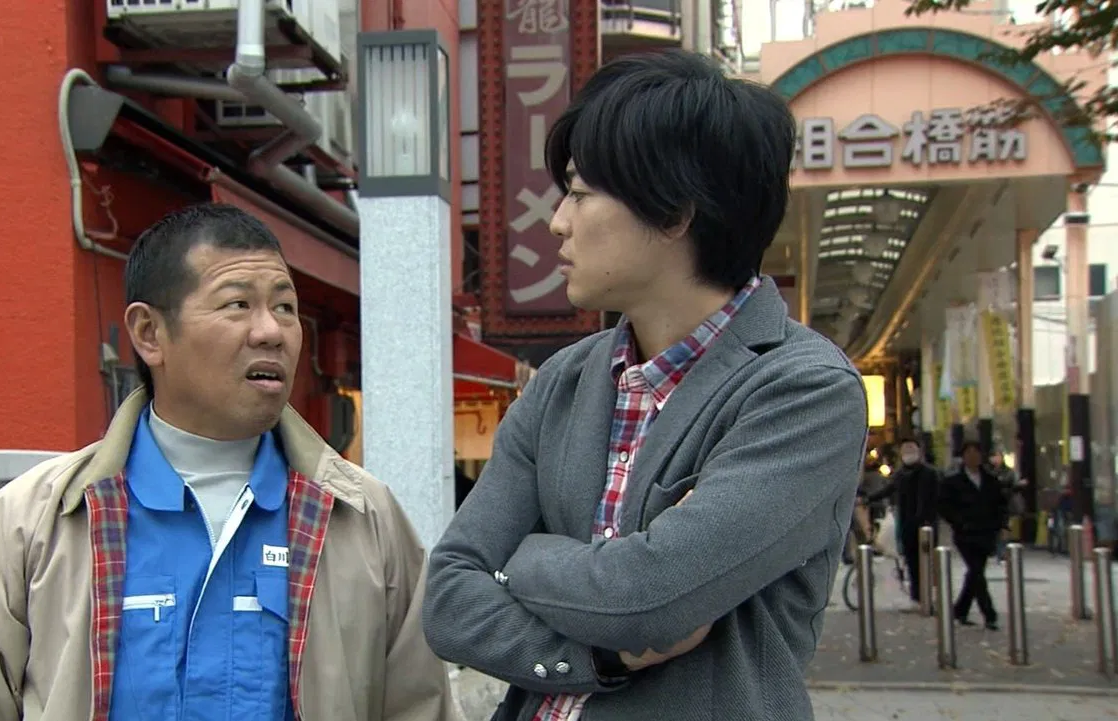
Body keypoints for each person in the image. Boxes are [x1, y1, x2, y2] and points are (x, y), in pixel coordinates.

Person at [421, 50, 868, 721]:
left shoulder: (802, 391)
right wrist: (600, 657)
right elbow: (449, 596)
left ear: (675, 211)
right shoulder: (563, 382)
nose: (558, 221)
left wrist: (521, 559)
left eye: (580, 193)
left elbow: (647, 598)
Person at [0, 204, 456, 721]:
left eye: (285, 307)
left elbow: (419, 705)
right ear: (150, 334)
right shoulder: (36, 521)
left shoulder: (363, 519)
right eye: (238, 304)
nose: (272, 332)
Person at [938, 441, 1008, 631]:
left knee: (975, 573)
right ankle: (989, 614)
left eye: (976, 453)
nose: (972, 457)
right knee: (976, 571)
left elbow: (1001, 504)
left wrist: (1002, 525)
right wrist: (958, 521)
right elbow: (943, 506)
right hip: (965, 533)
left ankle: (960, 610)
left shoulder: (991, 481)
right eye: (968, 453)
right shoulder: (953, 482)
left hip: (986, 532)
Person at [862, 438, 940, 608]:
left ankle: (929, 596)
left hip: (926, 527)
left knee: (927, 563)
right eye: (905, 450)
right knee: (912, 562)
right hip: (907, 525)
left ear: (919, 451)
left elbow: (938, 498)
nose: (908, 454)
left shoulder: (930, 473)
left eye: (911, 450)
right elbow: (888, 489)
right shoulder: (900, 474)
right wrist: (868, 499)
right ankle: (917, 597)